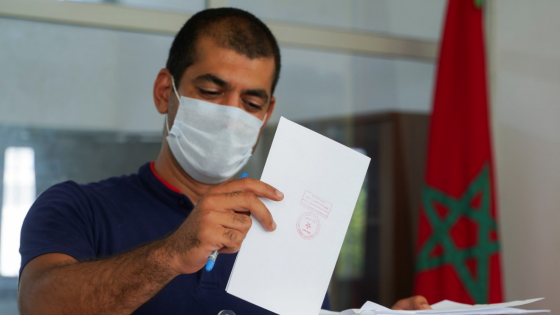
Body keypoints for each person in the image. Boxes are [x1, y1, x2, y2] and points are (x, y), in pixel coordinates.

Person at [17, 7, 431, 315]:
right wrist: (171, 254)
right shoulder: (77, 208)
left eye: (251, 101)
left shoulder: (288, 232)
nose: (231, 115)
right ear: (166, 91)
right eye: (212, 92)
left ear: (266, 115)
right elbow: (40, 305)